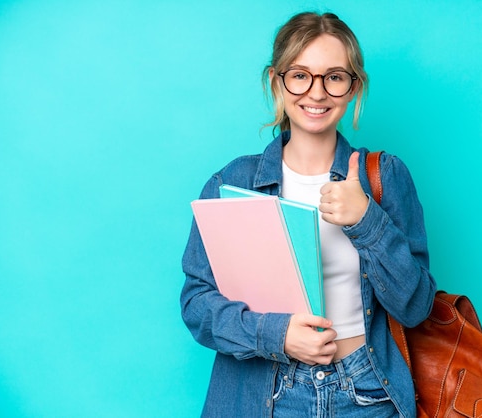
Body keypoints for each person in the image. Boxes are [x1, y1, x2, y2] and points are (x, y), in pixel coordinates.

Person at [180, 11, 436, 418]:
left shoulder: (384, 176)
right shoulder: (231, 182)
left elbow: (417, 307)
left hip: (366, 393)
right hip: (270, 393)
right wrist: (277, 335)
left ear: (354, 87)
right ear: (275, 81)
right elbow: (197, 304)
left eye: (334, 77)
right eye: (300, 75)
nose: (316, 93)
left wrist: (366, 221)